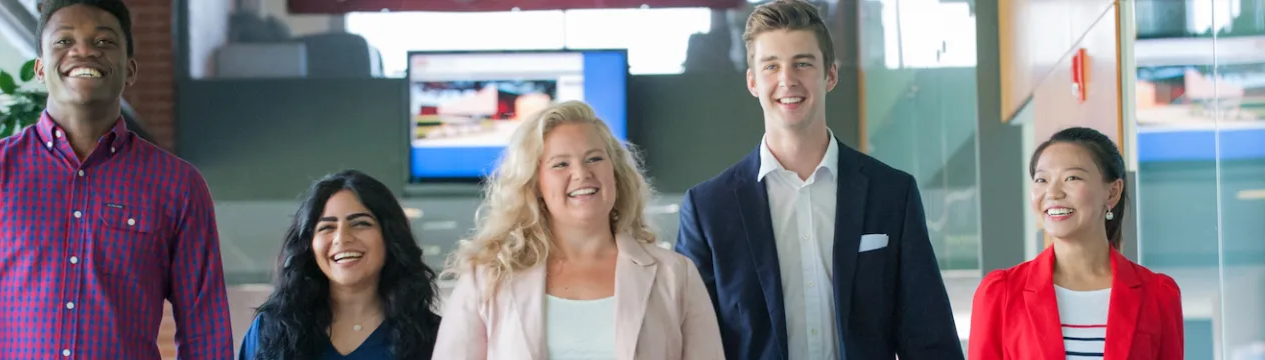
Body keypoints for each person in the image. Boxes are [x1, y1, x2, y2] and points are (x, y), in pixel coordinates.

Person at [0, 0, 233, 358]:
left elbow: (205, 331)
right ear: (40, 68)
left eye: (104, 42)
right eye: (64, 41)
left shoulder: (177, 185)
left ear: (130, 70)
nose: (84, 51)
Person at [672, 1, 964, 359]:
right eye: (771, 66)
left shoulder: (892, 194)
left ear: (830, 75)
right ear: (752, 81)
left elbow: (930, 339)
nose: (787, 80)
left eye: (803, 63)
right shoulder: (708, 210)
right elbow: (690, 344)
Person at [433, 100, 725, 360]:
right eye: (560, 164)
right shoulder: (488, 279)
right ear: (535, 184)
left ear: (615, 172)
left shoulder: (676, 276)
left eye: (594, 158)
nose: (582, 174)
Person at [968, 127, 1183, 359]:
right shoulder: (1001, 294)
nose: (1053, 193)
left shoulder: (1158, 295)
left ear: (1113, 192)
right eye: (1042, 179)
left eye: (1072, 177)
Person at [238, 170, 441, 360]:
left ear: (390, 237)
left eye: (361, 223)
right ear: (309, 244)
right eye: (327, 227)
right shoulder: (271, 330)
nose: (342, 239)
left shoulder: (434, 336)